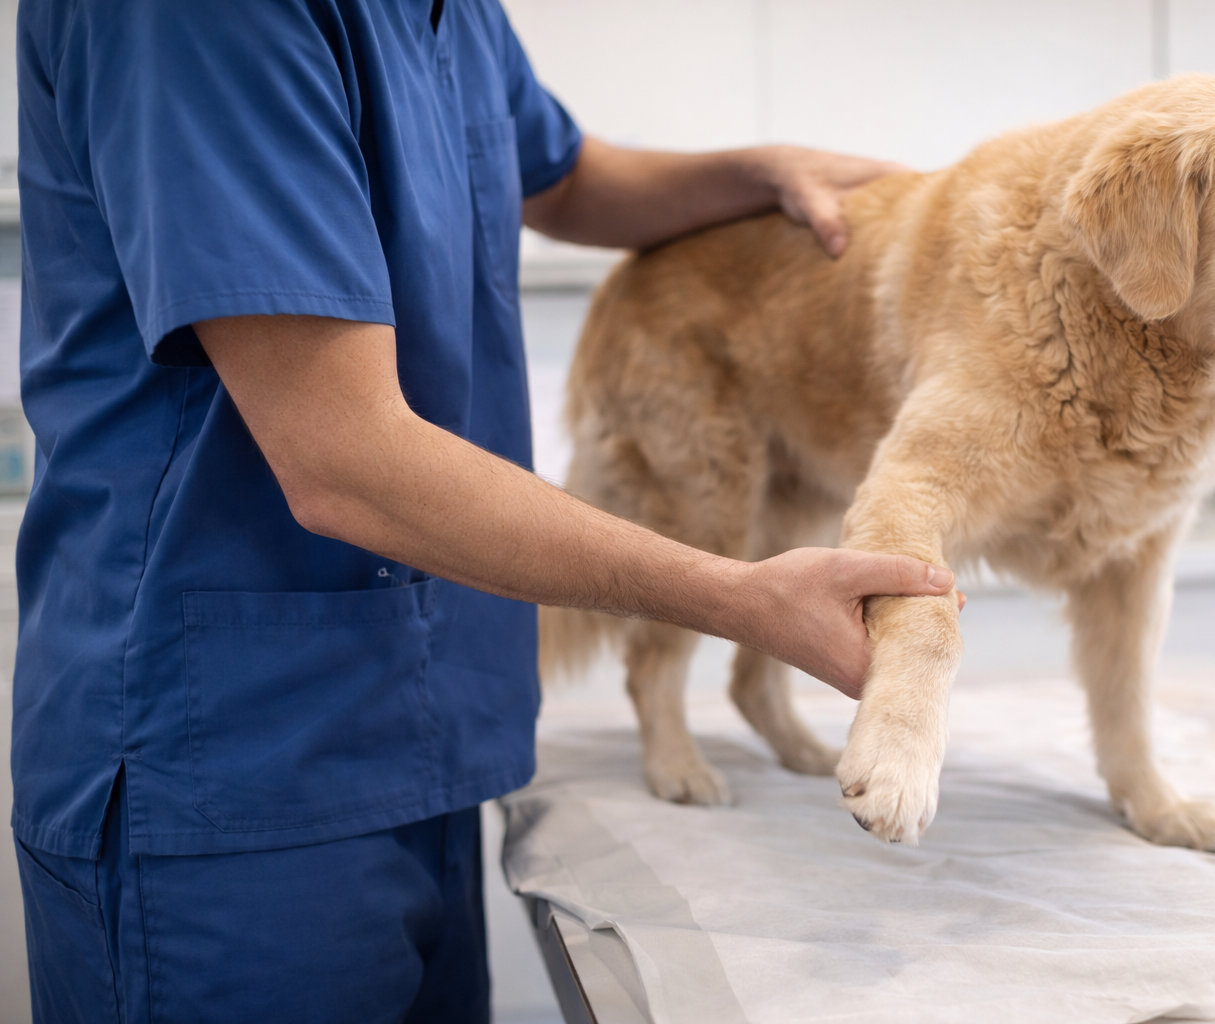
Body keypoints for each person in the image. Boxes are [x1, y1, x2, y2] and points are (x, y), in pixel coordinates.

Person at [9, 1, 955, 1020]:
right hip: (226, 765)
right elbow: (344, 459)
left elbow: (563, 174)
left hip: (420, 730)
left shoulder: (448, 13)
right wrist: (734, 595)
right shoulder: (200, 20)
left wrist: (756, 171)